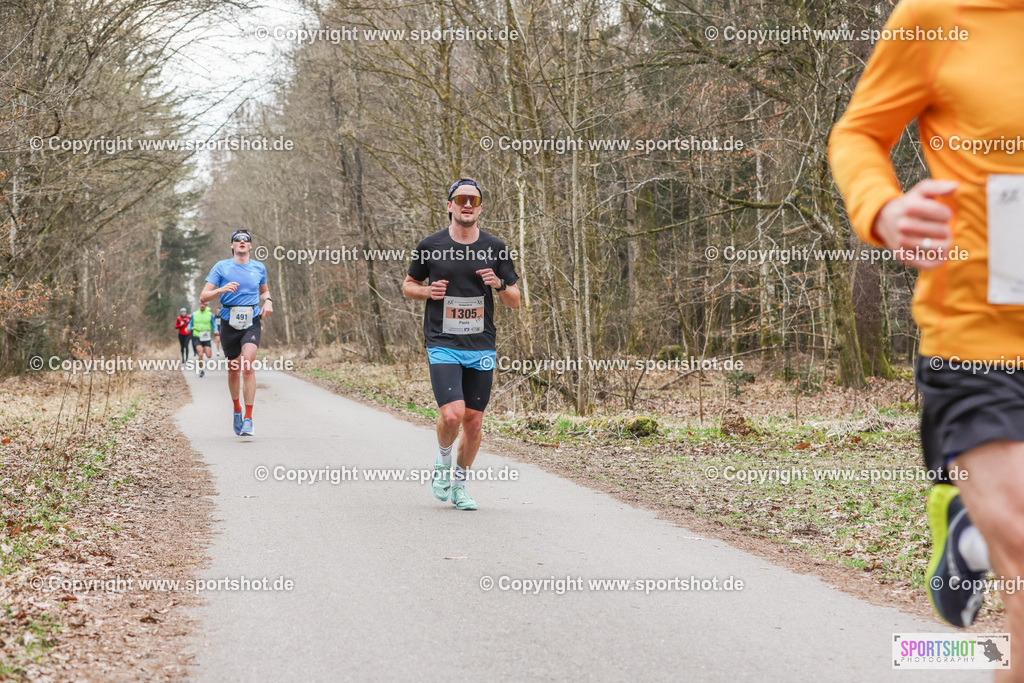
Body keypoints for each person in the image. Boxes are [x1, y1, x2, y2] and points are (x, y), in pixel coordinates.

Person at [829, 0, 1024, 649]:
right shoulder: (938, 16)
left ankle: (972, 523)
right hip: (978, 342)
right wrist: (883, 210)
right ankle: (981, 518)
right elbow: (858, 133)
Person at [402, 178, 520, 510]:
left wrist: (499, 285)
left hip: (481, 344)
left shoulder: (495, 248)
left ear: (480, 208)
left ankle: (459, 486)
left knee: (474, 421)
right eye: (461, 199)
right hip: (442, 341)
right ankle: (442, 463)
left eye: (474, 200)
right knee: (453, 415)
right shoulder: (431, 245)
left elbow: (514, 300)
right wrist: (428, 292)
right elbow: (408, 285)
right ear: (449, 205)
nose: (467, 204)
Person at [200, 229, 273, 437]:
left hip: (252, 320)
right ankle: (237, 410)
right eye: (237, 239)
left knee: (248, 366)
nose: (242, 241)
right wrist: (221, 290)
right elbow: (204, 296)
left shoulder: (259, 267)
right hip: (228, 322)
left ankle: (248, 419)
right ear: (232, 245)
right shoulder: (221, 267)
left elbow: (264, 291)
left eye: (246, 239)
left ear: (250, 245)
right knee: (233, 369)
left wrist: (268, 301)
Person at [191, 301, 216, 377]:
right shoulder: (194, 314)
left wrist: (215, 330)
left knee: (209, 355)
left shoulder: (210, 314)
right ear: (199, 305)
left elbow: (214, 324)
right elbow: (190, 323)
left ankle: (203, 349)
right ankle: (201, 370)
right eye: (201, 304)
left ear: (206, 305)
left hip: (206, 336)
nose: (202, 306)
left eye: (204, 304)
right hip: (197, 335)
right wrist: (189, 328)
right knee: (200, 354)